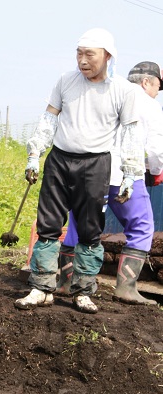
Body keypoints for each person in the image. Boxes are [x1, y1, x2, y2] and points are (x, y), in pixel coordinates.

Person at [15, 28, 141, 314]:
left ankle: (82, 291)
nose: (83, 61)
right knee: (48, 225)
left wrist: (130, 173)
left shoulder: (123, 90)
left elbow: (131, 135)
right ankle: (41, 287)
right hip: (59, 159)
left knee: (89, 230)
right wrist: (35, 153)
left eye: (89, 55)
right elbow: (49, 119)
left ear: (107, 56)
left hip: (95, 164)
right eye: (79, 54)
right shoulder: (65, 81)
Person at [57, 61, 163, 306]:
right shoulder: (148, 103)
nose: (158, 91)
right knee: (141, 225)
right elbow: (156, 149)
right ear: (146, 82)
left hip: (87, 169)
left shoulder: (109, 93)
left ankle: (64, 283)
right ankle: (126, 288)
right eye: (158, 85)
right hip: (123, 172)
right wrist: (156, 171)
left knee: (79, 224)